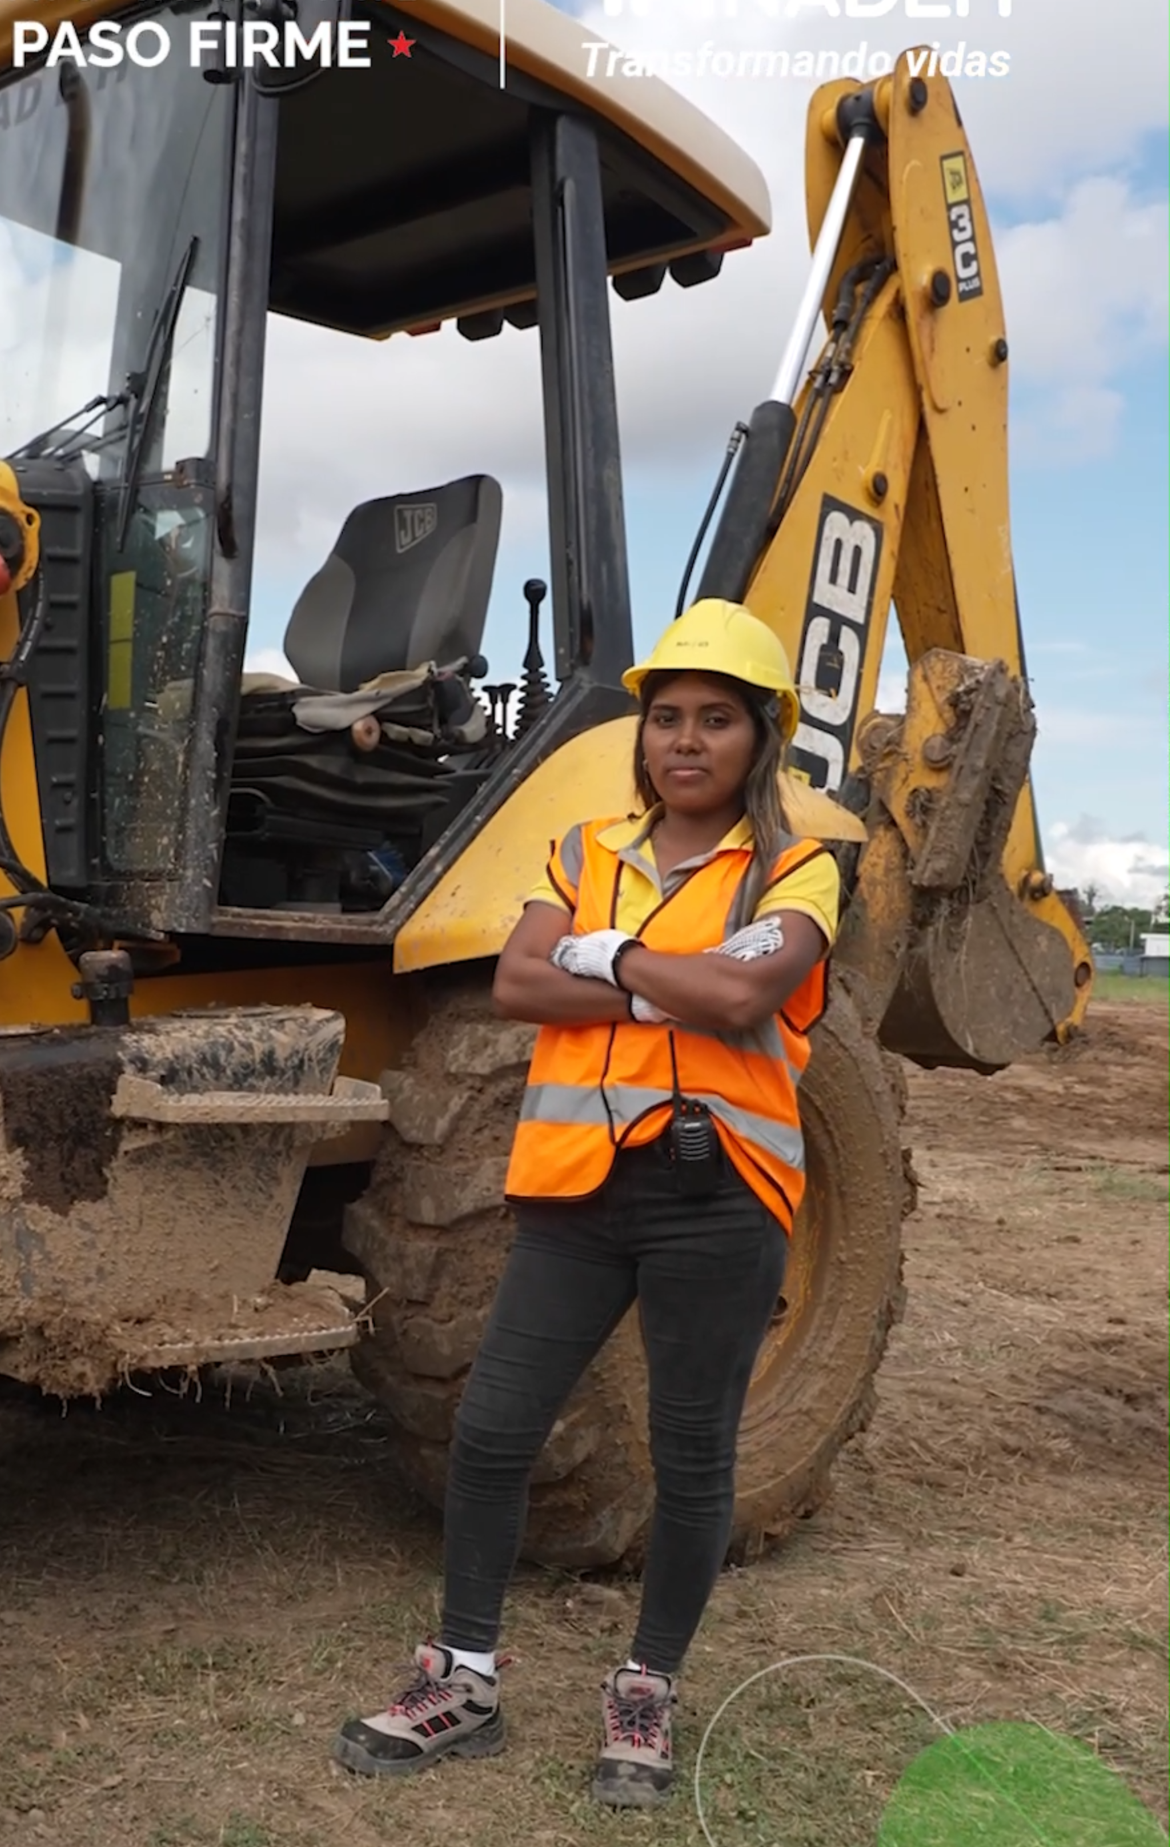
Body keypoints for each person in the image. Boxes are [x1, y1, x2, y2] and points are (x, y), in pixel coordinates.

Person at [332, 599, 842, 1808]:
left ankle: (647, 1685)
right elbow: (516, 979)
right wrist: (666, 977)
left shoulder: (798, 866)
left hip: (722, 1196)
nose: (686, 740)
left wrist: (602, 959)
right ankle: (461, 1674)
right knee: (495, 1428)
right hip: (579, 1190)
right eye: (667, 716)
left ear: (760, 739)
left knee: (691, 1446)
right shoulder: (582, 845)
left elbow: (742, 998)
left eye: (717, 719)